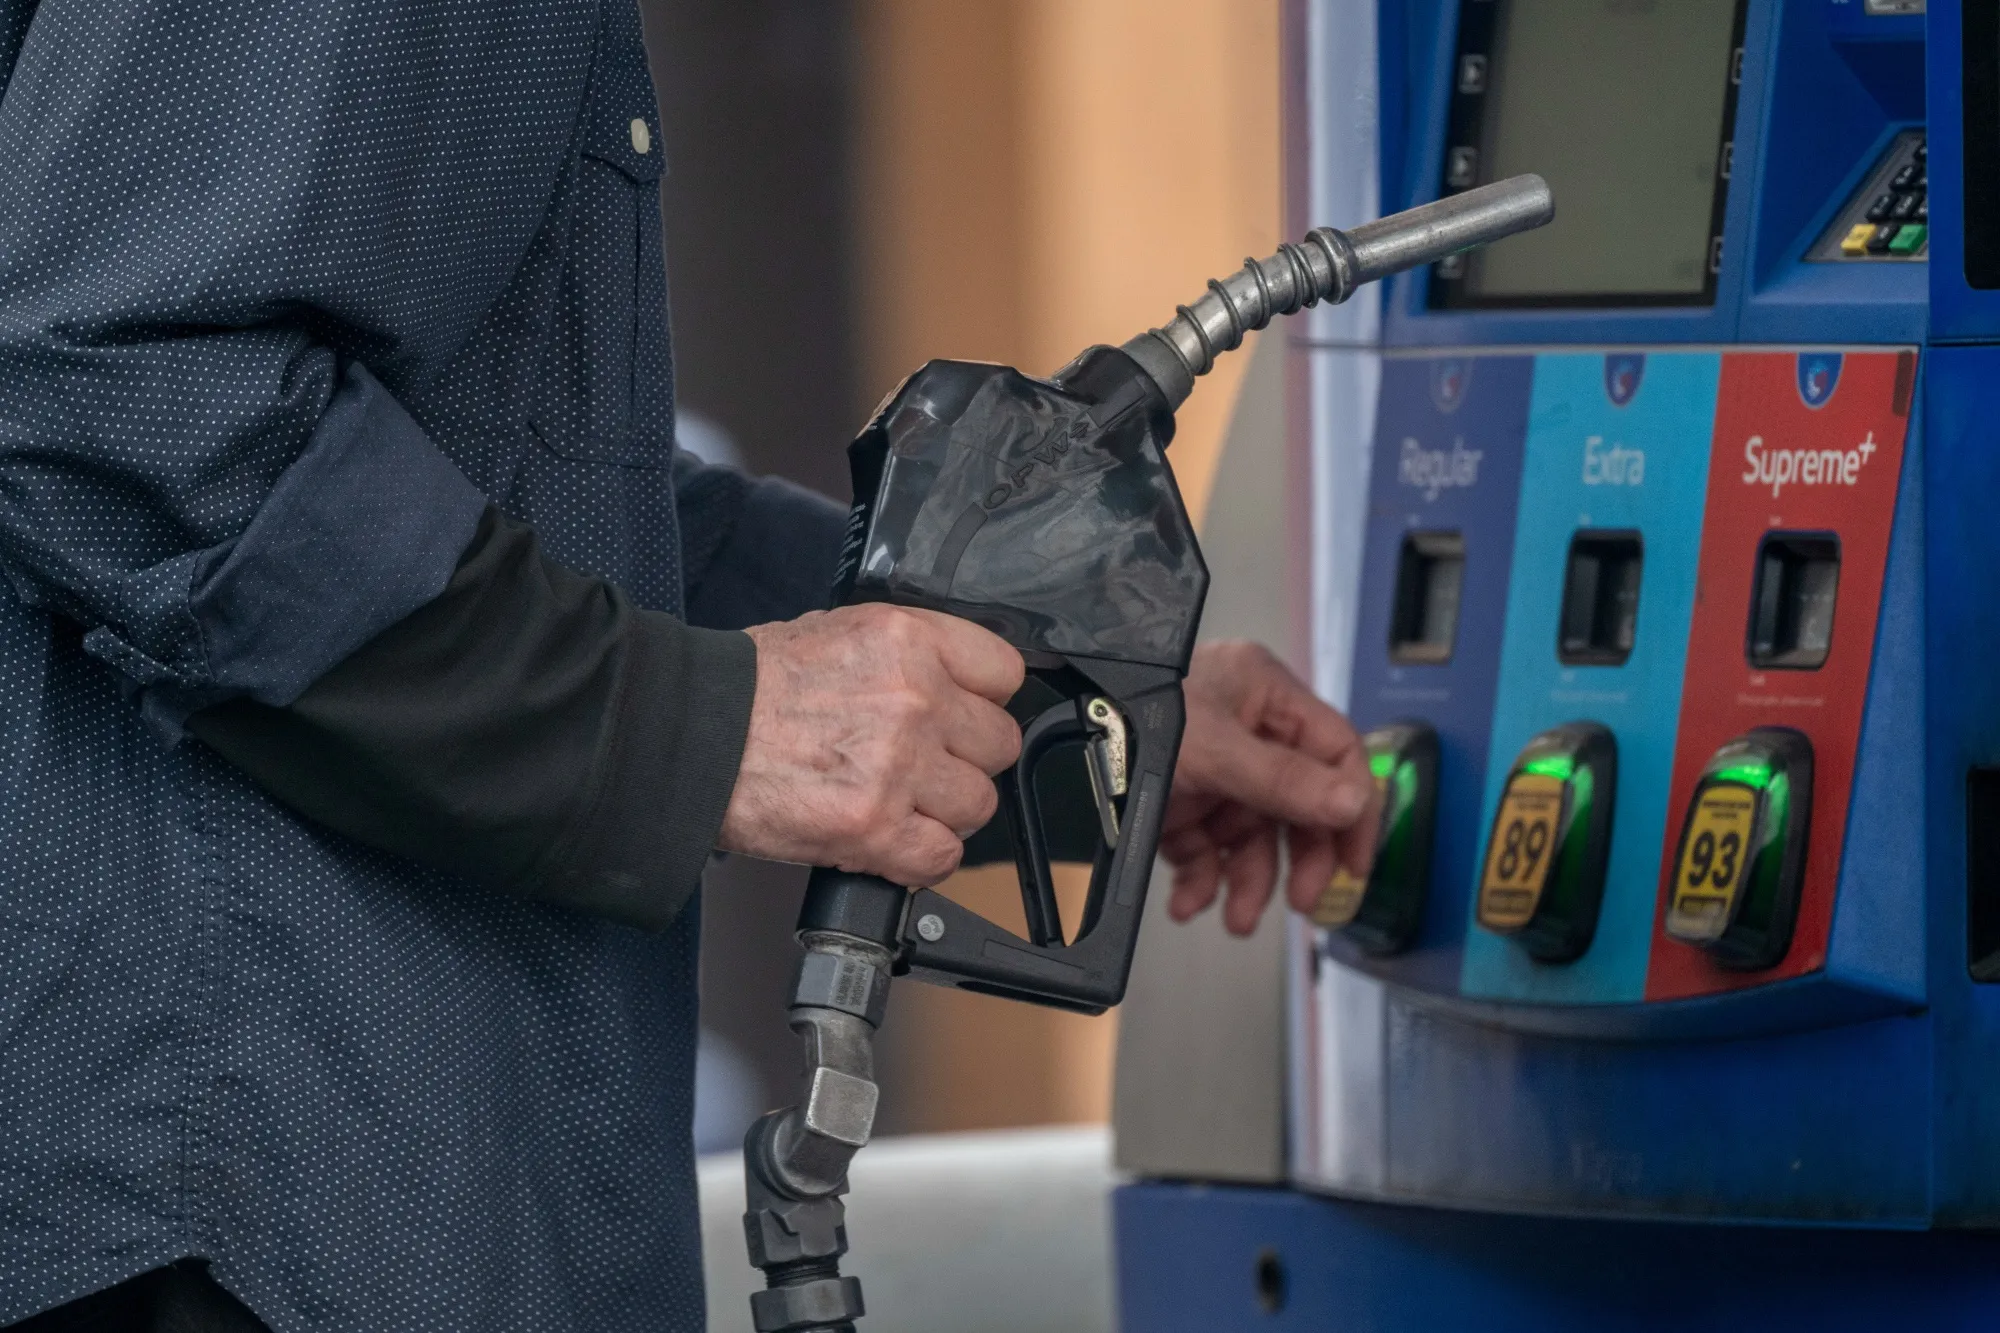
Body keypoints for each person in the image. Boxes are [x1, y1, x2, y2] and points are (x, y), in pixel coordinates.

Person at [0, 0, 1379, 1328]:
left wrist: (1068, 705)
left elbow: (501, 477)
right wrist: (698, 729)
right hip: (255, 1216)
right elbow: (126, 394)